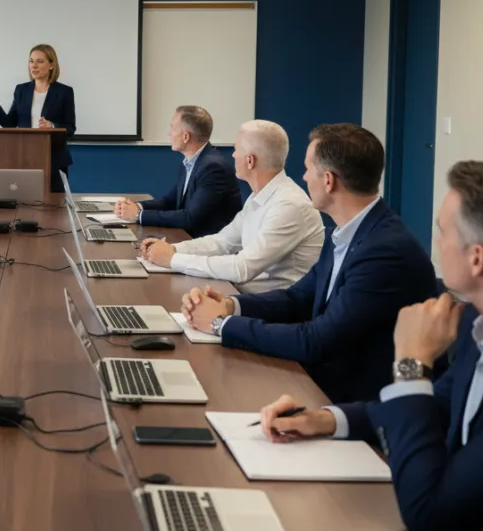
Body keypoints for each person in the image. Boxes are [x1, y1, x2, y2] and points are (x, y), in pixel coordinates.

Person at [254, 160, 483, 531]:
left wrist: (411, 362)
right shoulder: (481, 322)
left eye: (442, 231)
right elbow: (440, 406)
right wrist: (326, 419)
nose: (434, 242)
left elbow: (430, 514)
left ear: (477, 258)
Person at [182, 124, 437, 403]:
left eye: (306, 169)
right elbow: (298, 298)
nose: (303, 178)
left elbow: (317, 341)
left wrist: (222, 324)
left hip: (358, 402)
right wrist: (231, 304)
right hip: (327, 382)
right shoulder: (347, 232)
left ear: (328, 180)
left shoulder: (384, 251)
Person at [138, 120, 323, 294]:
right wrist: (174, 249)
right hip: (246, 296)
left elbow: (242, 268)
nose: (233, 155)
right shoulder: (259, 196)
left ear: (250, 161)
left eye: (236, 149)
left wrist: (173, 259)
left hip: (275, 312)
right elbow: (223, 243)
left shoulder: (289, 205)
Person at [114, 106, 241, 238]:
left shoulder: (213, 168)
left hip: (208, 246)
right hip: (189, 238)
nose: (169, 134)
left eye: (173, 128)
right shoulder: (191, 162)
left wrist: (137, 215)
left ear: (185, 137)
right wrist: (137, 207)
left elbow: (190, 218)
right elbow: (171, 201)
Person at [0, 44, 76, 192]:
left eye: (40, 61)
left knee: (55, 206)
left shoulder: (64, 92)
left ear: (51, 65)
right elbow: (10, 124)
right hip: (23, 155)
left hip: (54, 158)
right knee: (24, 202)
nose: (34, 66)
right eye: (31, 61)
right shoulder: (21, 90)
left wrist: (52, 126)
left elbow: (70, 127)